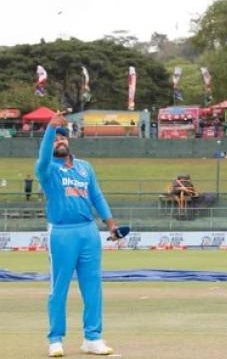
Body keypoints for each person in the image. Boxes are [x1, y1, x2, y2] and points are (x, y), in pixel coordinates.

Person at [36, 111, 119, 357]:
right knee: (59, 287)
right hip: (61, 232)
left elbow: (97, 196)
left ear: (69, 141)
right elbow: (41, 159)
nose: (59, 141)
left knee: (93, 286)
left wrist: (111, 224)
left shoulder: (85, 168)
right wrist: (50, 129)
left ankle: (92, 338)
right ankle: (55, 339)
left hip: (88, 232)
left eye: (62, 138)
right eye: (54, 139)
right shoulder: (47, 169)